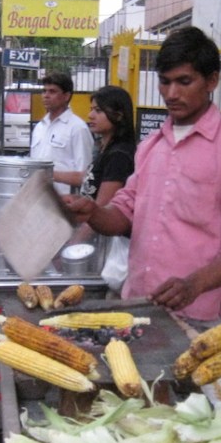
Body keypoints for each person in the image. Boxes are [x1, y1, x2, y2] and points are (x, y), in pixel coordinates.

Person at [67, 26, 221, 323]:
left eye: (184, 82)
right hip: (136, 307)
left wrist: (194, 284)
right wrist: (93, 212)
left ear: (212, 80)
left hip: (195, 318)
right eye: (165, 82)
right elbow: (124, 213)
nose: (172, 94)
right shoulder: (151, 146)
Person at [77, 85, 138, 293]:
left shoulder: (119, 155)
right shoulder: (105, 147)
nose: (90, 116)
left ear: (118, 115)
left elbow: (101, 207)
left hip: (105, 247)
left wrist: (73, 245)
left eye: (98, 111)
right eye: (91, 109)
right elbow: (90, 177)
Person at [30, 71, 94, 195]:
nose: (46, 96)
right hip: (37, 197)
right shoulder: (39, 127)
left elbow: (85, 175)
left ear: (66, 96)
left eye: (52, 91)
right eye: (44, 91)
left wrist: (51, 176)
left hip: (64, 200)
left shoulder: (77, 128)